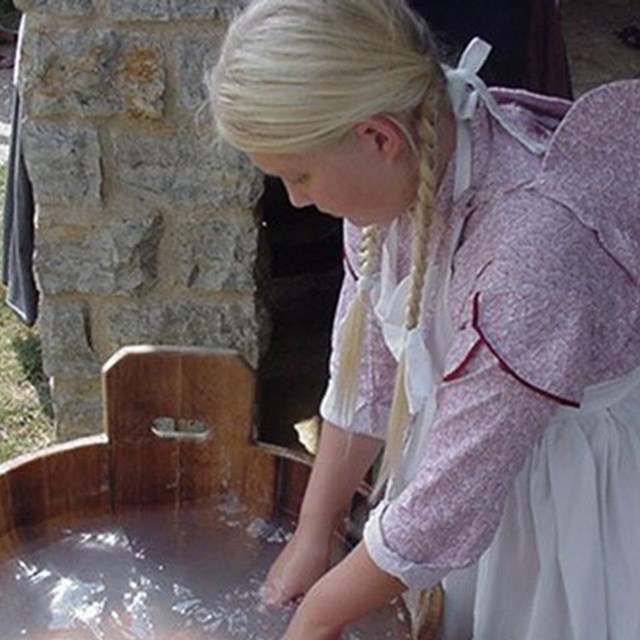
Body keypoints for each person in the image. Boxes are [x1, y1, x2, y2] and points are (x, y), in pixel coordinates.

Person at [207, 1, 640, 639]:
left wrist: (316, 619)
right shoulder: (404, 172)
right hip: (470, 478)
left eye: (298, 175)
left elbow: (451, 502)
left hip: (565, 500)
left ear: (377, 137)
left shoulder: (533, 250)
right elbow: (366, 375)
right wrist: (312, 533)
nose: (297, 199)